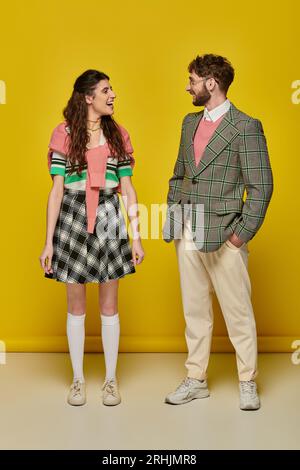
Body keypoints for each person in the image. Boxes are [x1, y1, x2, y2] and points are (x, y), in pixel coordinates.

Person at [163, 54, 273, 410]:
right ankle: (196, 379)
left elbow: (261, 186)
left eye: (192, 80)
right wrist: (175, 223)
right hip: (189, 229)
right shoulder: (187, 122)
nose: (188, 86)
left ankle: (247, 381)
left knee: (238, 311)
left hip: (226, 233)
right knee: (194, 311)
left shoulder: (246, 126)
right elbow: (180, 173)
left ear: (211, 83)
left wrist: (241, 234)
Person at [39, 69, 144, 407]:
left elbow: (127, 188)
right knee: (76, 304)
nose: (112, 95)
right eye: (105, 90)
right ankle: (78, 380)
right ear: (87, 97)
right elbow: (56, 192)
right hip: (72, 214)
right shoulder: (64, 134)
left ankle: (111, 381)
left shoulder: (118, 136)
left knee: (109, 304)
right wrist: (48, 242)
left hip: (110, 214)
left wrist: (137, 236)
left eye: (112, 89)